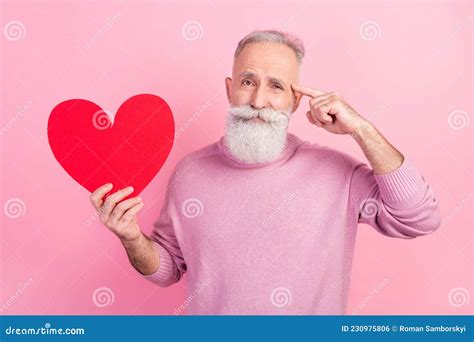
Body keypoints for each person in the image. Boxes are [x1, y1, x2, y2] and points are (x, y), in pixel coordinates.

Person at [89, 30, 441, 314]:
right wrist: (132, 238)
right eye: (247, 81)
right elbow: (167, 269)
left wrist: (360, 128)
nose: (258, 101)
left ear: (296, 100)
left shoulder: (337, 173)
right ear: (229, 89)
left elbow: (420, 217)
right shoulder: (190, 173)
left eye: (276, 86)